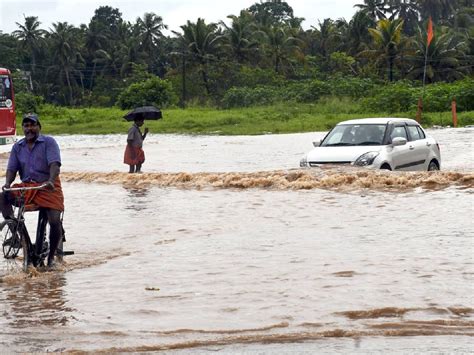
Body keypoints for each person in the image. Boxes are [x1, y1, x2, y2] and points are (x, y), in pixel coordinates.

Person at [0, 113, 64, 268]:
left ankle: (51, 259)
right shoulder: (18, 147)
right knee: (2, 197)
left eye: (32, 125)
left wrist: (50, 180)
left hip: (48, 186)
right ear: (23, 128)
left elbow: (55, 164)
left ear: (39, 127)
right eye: (26, 126)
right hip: (27, 186)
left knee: (54, 220)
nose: (29, 129)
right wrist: (8, 183)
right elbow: (11, 169)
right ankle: (17, 235)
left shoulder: (48, 142)